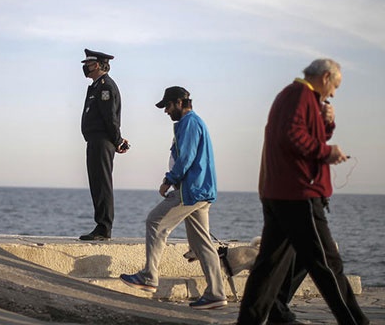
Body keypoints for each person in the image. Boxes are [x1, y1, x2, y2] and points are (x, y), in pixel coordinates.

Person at [236, 59, 369, 324]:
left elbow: (303, 135)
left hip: (279, 193)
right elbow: (292, 136)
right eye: (335, 87)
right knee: (328, 266)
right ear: (326, 76)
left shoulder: (293, 97)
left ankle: (256, 319)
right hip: (299, 195)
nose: (333, 94)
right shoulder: (300, 96)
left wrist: (327, 124)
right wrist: (328, 152)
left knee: (269, 267)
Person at [119, 86, 227, 310]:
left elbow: (186, 157)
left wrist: (169, 179)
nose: (166, 111)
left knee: (155, 222)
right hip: (202, 191)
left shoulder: (189, 123)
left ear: (179, 102)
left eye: (167, 106)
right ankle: (216, 293)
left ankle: (149, 277)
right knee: (202, 243)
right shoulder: (196, 122)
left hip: (191, 190)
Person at [79, 49, 129, 241]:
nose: (85, 67)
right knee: (96, 183)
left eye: (88, 64)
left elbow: (110, 118)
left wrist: (117, 140)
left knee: (102, 183)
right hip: (94, 140)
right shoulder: (96, 86)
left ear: (97, 65)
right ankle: (101, 225)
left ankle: (104, 227)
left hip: (102, 141)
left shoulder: (105, 87)